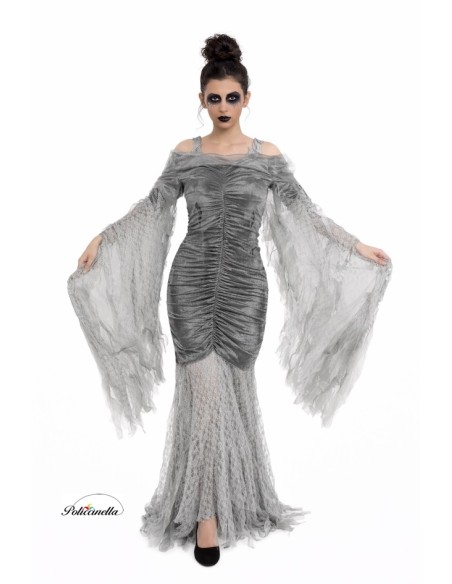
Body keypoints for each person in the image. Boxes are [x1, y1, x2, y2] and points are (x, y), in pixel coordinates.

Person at [67, 33, 393, 567]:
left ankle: (233, 498)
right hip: (190, 283)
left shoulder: (267, 156)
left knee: (231, 394)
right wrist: (104, 236)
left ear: (247, 99)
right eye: (214, 98)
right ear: (202, 100)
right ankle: (206, 518)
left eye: (232, 98)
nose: (223, 107)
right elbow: (152, 207)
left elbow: (304, 211)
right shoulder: (185, 154)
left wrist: (355, 245)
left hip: (245, 288)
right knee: (203, 396)